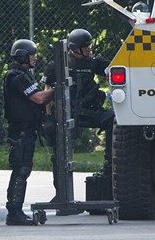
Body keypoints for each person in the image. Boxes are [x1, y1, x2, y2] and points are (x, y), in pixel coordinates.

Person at [42, 29, 114, 179]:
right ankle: (60, 186)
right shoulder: (58, 65)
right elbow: (47, 90)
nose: (90, 48)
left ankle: (110, 165)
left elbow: (115, 70)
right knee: (58, 153)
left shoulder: (94, 62)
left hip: (88, 111)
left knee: (113, 119)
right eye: (86, 46)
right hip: (65, 112)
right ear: (75, 49)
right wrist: (48, 117)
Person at [3, 39, 54, 225]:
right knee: (21, 169)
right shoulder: (17, 77)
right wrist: (57, 89)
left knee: (23, 169)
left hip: (26, 131)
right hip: (21, 132)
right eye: (32, 54)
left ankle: (15, 210)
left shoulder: (24, 75)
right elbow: (39, 98)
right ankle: (14, 212)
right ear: (23, 55)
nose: (35, 57)